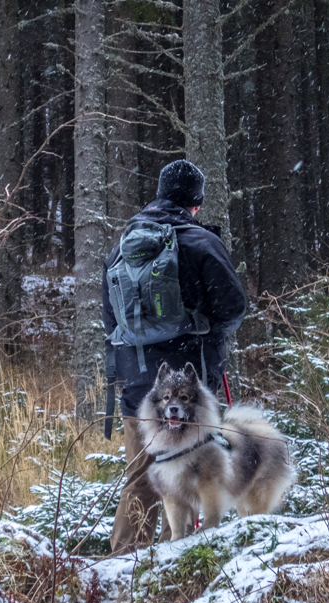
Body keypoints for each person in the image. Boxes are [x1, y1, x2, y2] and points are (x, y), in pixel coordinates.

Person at [103, 160, 247, 555]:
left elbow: (109, 319)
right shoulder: (200, 242)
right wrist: (208, 330)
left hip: (140, 388)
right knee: (198, 469)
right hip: (190, 389)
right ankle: (181, 559)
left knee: (144, 474)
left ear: (161, 193)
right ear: (195, 203)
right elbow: (234, 307)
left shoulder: (123, 246)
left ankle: (124, 562)